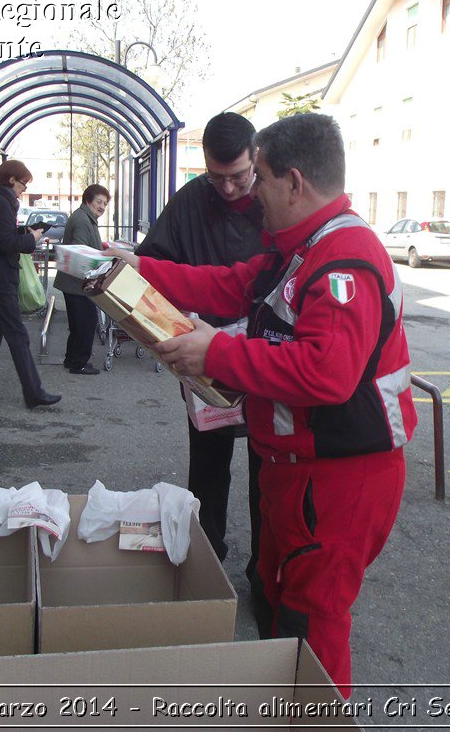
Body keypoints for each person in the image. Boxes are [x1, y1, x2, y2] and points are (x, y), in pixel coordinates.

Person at [107, 113, 417, 694]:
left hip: (340, 480)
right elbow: (225, 284)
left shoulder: (346, 256)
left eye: (261, 182)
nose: (250, 198)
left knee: (311, 622)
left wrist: (216, 355)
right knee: (279, 600)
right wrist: (140, 268)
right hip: (296, 472)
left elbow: (328, 372)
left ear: (294, 183)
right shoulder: (297, 249)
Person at [135, 112, 266, 567]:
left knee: (268, 466)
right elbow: (151, 268)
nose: (227, 189)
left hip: (263, 354)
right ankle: (205, 558)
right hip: (200, 355)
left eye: (238, 177)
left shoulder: (275, 201)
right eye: (216, 177)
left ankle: (265, 570)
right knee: (207, 463)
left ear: (256, 159)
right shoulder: (191, 201)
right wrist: (169, 332)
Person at [0, 161, 61, 409]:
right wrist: (31, 238)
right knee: (18, 336)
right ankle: (34, 392)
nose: (23, 189)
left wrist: (24, 233)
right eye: (23, 183)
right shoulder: (2, 203)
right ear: (11, 180)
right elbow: (5, 243)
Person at [53, 184, 110, 375]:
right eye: (98, 202)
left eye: (105, 203)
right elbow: (81, 251)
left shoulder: (85, 217)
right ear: (88, 200)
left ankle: (72, 359)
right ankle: (79, 363)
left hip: (74, 282)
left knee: (78, 324)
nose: (102, 207)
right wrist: (101, 259)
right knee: (86, 323)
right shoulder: (82, 220)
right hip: (78, 283)